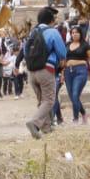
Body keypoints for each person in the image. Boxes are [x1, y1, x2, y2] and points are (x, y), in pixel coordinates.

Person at [24, 7, 68, 139]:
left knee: (42, 101)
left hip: (31, 72)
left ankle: (47, 128)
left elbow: (25, 52)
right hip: (46, 70)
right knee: (49, 100)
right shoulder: (52, 32)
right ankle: (34, 123)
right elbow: (62, 53)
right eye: (54, 18)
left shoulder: (33, 32)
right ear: (50, 20)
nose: (55, 21)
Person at [62, 25, 90, 124]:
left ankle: (75, 119)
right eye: (73, 32)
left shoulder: (85, 45)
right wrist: (62, 73)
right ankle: (83, 114)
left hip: (80, 71)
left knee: (75, 95)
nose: (74, 34)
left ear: (80, 34)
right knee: (72, 97)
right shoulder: (67, 44)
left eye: (76, 32)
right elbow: (64, 60)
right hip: (68, 72)